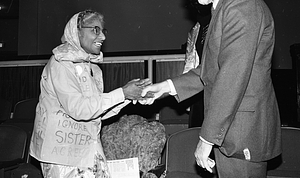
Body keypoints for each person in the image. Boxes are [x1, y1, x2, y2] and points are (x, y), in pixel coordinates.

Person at [140, 0, 282, 177]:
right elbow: (211, 70)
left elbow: (231, 77)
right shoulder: (225, 7)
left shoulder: (242, 5)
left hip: (241, 133)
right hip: (233, 130)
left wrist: (206, 140)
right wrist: (166, 87)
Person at [29, 10, 151, 178]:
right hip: (63, 155)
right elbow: (80, 110)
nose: (102, 37)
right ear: (76, 31)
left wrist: (129, 96)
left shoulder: (92, 68)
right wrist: (123, 93)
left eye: (103, 31)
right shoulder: (61, 63)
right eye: (95, 30)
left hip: (87, 149)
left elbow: (96, 112)